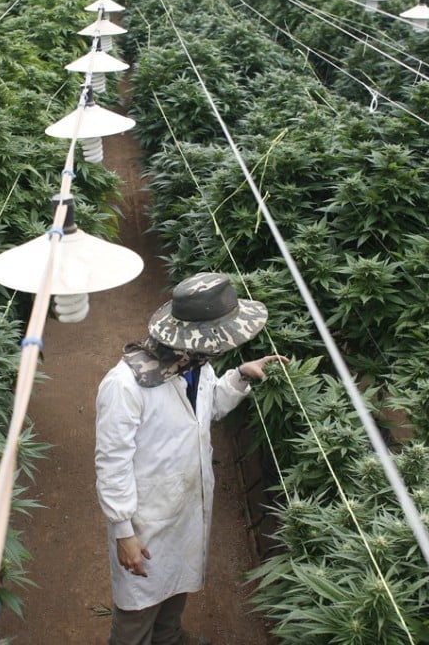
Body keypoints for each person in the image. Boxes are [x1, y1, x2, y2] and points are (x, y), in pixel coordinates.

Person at [95, 272, 287, 645]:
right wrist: (124, 533)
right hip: (146, 522)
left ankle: (170, 638)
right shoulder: (124, 387)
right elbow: (111, 465)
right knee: (137, 614)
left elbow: (208, 407)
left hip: (183, 508)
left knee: (175, 589)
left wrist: (240, 378)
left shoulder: (194, 364)